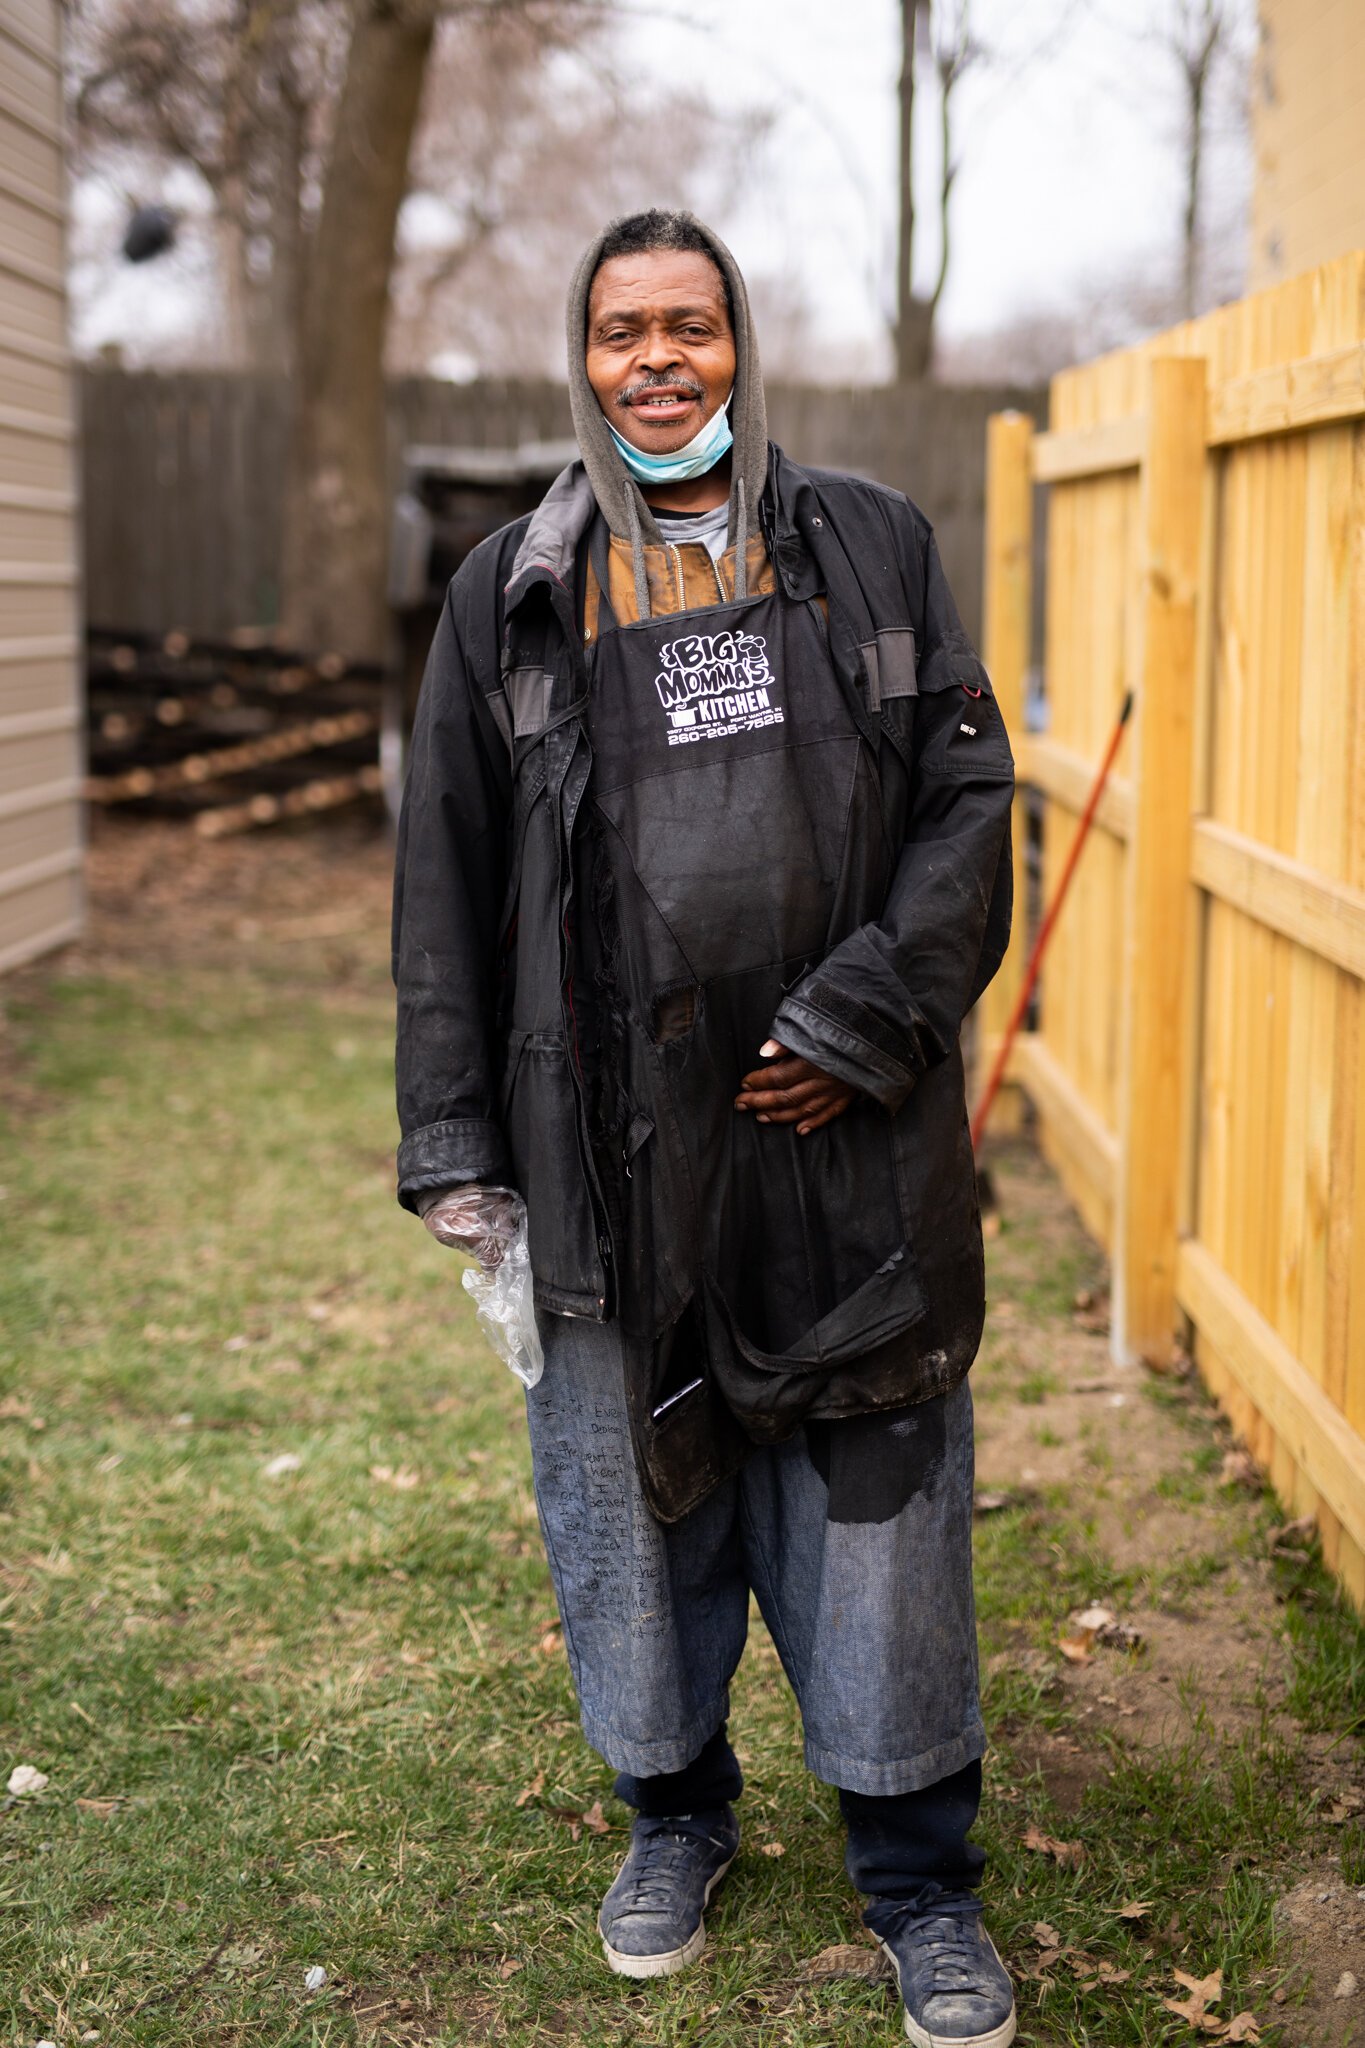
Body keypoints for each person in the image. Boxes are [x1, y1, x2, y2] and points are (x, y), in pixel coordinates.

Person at [392, 209, 1017, 2048]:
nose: (654, 362)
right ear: (579, 361)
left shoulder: (869, 552)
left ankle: (918, 1880)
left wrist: (860, 1020)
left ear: (739, 345)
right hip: (605, 1150)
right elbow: (446, 879)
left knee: (876, 1515)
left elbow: (969, 815)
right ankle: (674, 1817)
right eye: (618, 334)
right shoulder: (513, 585)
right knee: (626, 1508)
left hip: (846, 1137)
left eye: (687, 327)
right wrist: (456, 1143)